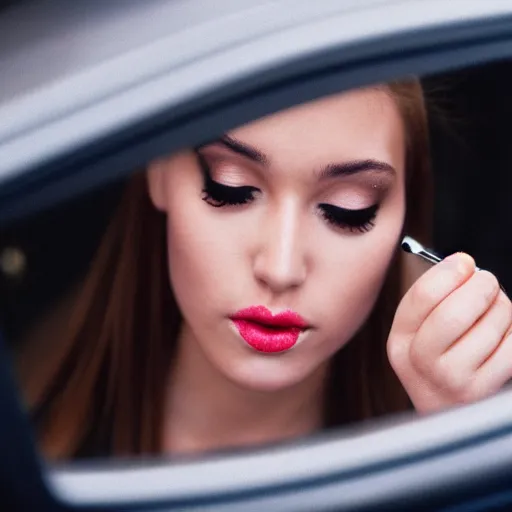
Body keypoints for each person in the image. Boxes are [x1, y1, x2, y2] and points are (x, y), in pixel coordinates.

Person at [15, 79, 512, 461]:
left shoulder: (458, 426)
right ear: (158, 171)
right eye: (231, 189)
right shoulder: (31, 448)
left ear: (403, 214)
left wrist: (465, 445)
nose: (280, 267)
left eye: (347, 209)